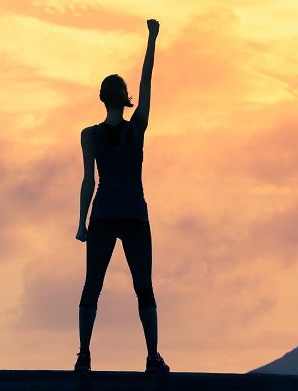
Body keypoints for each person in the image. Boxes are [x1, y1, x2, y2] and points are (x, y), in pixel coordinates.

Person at [74, 19, 169, 374]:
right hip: (134, 216)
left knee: (92, 287)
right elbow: (148, 81)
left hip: (102, 215)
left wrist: (81, 223)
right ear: (125, 98)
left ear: (102, 98)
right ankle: (152, 357)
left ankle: (84, 355)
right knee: (144, 287)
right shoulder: (137, 128)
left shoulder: (89, 135)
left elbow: (89, 181)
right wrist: (152, 38)